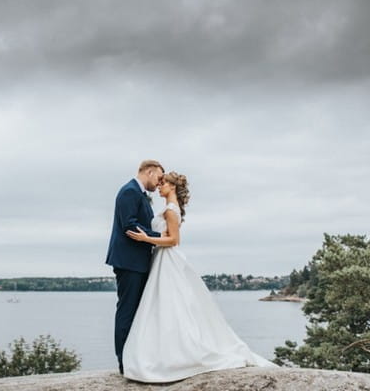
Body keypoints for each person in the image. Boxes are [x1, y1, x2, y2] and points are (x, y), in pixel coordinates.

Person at [123, 171, 278, 383]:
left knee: (170, 306)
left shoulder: (170, 210)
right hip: (162, 259)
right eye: (159, 183)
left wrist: (145, 238)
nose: (159, 186)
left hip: (167, 258)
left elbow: (174, 240)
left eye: (163, 183)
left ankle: (176, 355)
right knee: (167, 306)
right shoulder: (170, 208)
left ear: (172, 187)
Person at [105, 159, 165, 375]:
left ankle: (135, 358)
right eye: (158, 177)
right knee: (127, 310)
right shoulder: (129, 191)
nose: (159, 183)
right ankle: (124, 362)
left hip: (137, 261)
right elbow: (129, 225)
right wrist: (160, 237)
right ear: (149, 172)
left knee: (137, 311)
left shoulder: (138, 194)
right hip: (128, 262)